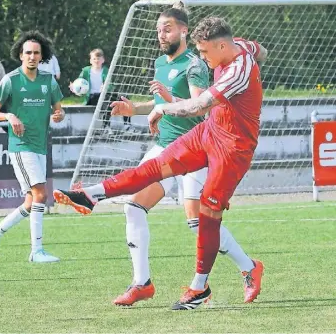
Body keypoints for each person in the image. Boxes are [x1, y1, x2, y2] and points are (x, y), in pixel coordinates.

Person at [54, 16, 266, 310]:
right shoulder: (237, 47)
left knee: (207, 212)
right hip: (208, 133)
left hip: (232, 149)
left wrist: (163, 107)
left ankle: (200, 286)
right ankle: (91, 194)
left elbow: (197, 105)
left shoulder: (236, 71)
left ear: (220, 45)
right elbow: (259, 49)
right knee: (152, 170)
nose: (203, 59)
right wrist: (153, 108)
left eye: (205, 52)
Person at [0, 31, 65, 263]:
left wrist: (59, 115)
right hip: (20, 146)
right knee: (41, 194)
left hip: (40, 145)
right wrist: (9, 116)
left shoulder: (48, 81)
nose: (32, 56)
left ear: (42, 56)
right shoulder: (11, 80)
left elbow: (58, 110)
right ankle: (36, 251)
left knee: (30, 202)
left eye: (36, 53)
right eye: (27, 52)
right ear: (20, 55)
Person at [70, 49, 133, 133]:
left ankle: (127, 125)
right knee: (108, 101)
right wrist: (74, 87)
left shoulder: (105, 70)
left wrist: (106, 87)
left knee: (124, 98)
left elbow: (110, 84)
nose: (96, 61)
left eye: (99, 59)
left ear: (103, 60)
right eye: (94, 59)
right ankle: (105, 126)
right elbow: (79, 82)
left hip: (103, 95)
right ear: (90, 60)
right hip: (92, 97)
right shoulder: (86, 71)